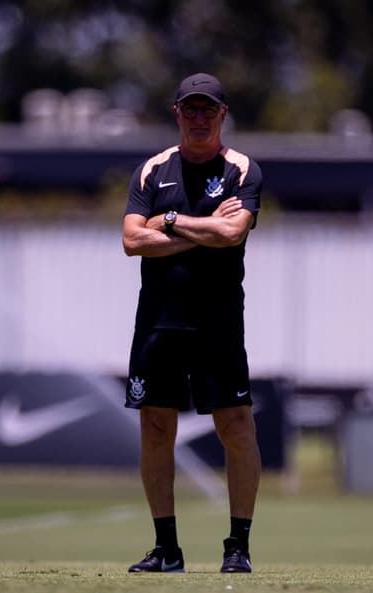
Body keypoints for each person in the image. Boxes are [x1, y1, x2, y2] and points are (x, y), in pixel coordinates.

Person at [122, 73, 262, 574]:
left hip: (218, 320)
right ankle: (166, 549)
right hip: (159, 320)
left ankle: (238, 546)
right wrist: (205, 230)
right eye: (190, 109)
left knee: (235, 425)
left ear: (223, 114)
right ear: (176, 112)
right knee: (155, 427)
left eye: (208, 109)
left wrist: (172, 221)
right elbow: (132, 241)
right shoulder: (152, 170)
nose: (199, 117)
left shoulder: (242, 170)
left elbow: (233, 233)